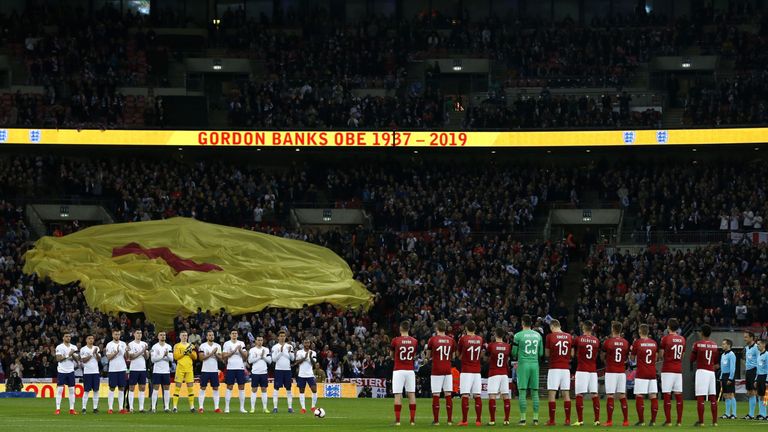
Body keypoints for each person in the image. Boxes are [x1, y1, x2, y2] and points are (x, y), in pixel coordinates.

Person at [512, 314, 543, 426]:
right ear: (531, 323)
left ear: (522, 323)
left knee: (522, 391)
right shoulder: (538, 336)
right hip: (534, 364)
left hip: (523, 364)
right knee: (535, 392)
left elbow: (514, 353)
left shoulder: (518, 335)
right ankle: (535, 419)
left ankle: (523, 419)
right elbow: (541, 353)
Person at [426, 319, 456, 425]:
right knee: (448, 394)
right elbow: (453, 356)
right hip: (447, 369)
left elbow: (428, 356)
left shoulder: (432, 340)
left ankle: (437, 421)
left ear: (437, 328)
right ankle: (449, 420)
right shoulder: (451, 340)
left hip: (437, 369)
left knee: (436, 394)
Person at [545, 319, 572, 426]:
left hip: (554, 367)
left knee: (552, 393)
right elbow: (571, 353)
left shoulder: (550, 336)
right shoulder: (569, 336)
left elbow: (547, 353)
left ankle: (552, 420)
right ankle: (567, 420)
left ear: (552, 327)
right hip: (566, 368)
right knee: (566, 394)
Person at [691, 324, 719, 426]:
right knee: (712, 397)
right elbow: (716, 362)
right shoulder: (714, 345)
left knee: (700, 397)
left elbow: (691, 359)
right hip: (711, 372)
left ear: (701, 333)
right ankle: (715, 422)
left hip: (702, 371)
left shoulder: (697, 344)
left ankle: (701, 421)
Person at [630, 323, 659, 426]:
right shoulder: (654, 343)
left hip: (641, 372)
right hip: (652, 372)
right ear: (648, 332)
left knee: (639, 395)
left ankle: (641, 421)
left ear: (639, 332)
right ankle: (653, 421)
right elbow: (656, 358)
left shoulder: (637, 343)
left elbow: (632, 359)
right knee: (653, 396)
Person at [602, 321, 629, 427]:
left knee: (610, 395)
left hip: (611, 371)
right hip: (621, 372)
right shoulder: (626, 342)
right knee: (622, 395)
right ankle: (626, 421)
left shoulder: (608, 342)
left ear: (613, 329)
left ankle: (609, 421)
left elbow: (603, 356)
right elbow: (626, 357)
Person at [660, 318, 686, 426]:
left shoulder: (665, 339)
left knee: (667, 395)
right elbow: (682, 355)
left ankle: (669, 421)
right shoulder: (682, 339)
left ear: (668, 327)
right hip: (678, 370)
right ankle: (679, 421)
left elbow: (661, 355)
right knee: (678, 395)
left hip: (668, 369)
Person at [391, 320, 417, 426]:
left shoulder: (395, 340)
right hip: (410, 370)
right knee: (411, 394)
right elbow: (413, 355)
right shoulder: (414, 341)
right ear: (409, 329)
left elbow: (392, 355)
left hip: (398, 370)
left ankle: (397, 421)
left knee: (398, 395)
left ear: (400, 329)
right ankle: (412, 421)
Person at [458, 319, 484, 426]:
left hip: (466, 370)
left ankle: (464, 420)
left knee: (465, 395)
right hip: (477, 371)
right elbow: (481, 354)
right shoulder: (480, 339)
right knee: (477, 395)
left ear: (466, 328)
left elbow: (459, 355)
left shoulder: (463, 339)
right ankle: (478, 420)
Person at [574, 320, 600, 426]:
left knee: (579, 394)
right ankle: (597, 420)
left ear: (583, 328)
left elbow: (574, 352)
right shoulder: (596, 340)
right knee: (595, 394)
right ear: (591, 329)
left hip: (582, 369)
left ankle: (580, 420)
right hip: (593, 370)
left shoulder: (578, 339)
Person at [486, 327, 512, 426]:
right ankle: (506, 420)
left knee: (492, 395)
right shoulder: (507, 346)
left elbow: (488, 356)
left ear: (495, 335)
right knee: (505, 395)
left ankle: (492, 420)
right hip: (504, 373)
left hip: (494, 373)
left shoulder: (491, 345)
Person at [222, 329, 248, 413]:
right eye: (232, 333)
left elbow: (245, 356)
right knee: (229, 387)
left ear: (237, 335)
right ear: (230, 335)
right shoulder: (227, 343)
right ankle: (226, 408)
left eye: (235, 333)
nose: (234, 335)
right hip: (230, 368)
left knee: (242, 387)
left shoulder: (241, 343)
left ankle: (242, 408)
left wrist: (239, 350)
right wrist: (233, 351)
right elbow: (224, 356)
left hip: (240, 367)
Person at [54, 330, 79, 415]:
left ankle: (72, 409)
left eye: (69, 336)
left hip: (71, 371)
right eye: (66, 336)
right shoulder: (59, 347)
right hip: (62, 371)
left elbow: (77, 359)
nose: (68, 338)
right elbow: (58, 359)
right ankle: (58, 409)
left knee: (72, 390)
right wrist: (69, 354)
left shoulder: (74, 347)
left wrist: (74, 355)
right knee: (60, 390)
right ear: (63, 338)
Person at [172, 330, 198, 413]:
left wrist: (190, 353)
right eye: (183, 335)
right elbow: (176, 357)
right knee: (177, 388)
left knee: (190, 388)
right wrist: (184, 352)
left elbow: (195, 357)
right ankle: (175, 407)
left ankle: (192, 407)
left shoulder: (191, 345)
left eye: (186, 335)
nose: (184, 337)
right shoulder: (177, 346)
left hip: (189, 369)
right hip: (180, 368)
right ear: (180, 336)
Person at [198, 330, 222, 413]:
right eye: (209, 335)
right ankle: (201, 407)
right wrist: (211, 353)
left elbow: (221, 358)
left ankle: (217, 408)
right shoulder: (203, 346)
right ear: (207, 336)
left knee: (215, 388)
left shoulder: (217, 346)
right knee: (203, 388)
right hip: (205, 370)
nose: (211, 336)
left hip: (214, 370)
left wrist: (215, 354)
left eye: (212, 335)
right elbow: (201, 358)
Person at [271, 330, 295, 413]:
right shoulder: (275, 347)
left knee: (288, 389)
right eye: (280, 336)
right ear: (278, 337)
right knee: (276, 388)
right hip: (278, 370)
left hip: (287, 370)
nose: (282, 337)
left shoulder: (289, 347)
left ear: (285, 337)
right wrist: (280, 352)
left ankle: (290, 408)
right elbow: (273, 359)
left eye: (283, 336)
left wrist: (289, 352)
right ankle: (275, 408)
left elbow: (292, 358)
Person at [150, 331, 173, 413]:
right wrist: (163, 356)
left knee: (166, 388)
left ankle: (166, 407)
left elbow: (172, 359)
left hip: (166, 371)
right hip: (157, 371)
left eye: (164, 335)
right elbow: (153, 360)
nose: (163, 336)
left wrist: (165, 355)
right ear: (158, 337)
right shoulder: (154, 347)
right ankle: (153, 407)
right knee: (155, 388)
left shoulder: (169, 346)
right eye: (161, 335)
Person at [127, 329, 149, 413]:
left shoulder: (144, 344)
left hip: (142, 368)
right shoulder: (131, 344)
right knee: (132, 387)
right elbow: (131, 357)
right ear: (134, 334)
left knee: (142, 387)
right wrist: (142, 351)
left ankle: (141, 408)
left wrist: (145, 352)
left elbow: (146, 357)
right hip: (134, 369)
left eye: (140, 333)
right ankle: (131, 407)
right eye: (137, 333)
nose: (139, 334)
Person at [106, 328, 128, 414]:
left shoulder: (123, 344)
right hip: (113, 369)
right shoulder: (109, 345)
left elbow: (126, 357)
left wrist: (126, 351)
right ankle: (110, 408)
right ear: (112, 335)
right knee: (112, 388)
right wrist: (116, 352)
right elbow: (108, 357)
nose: (117, 336)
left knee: (121, 388)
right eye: (115, 334)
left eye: (118, 334)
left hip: (122, 368)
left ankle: (121, 408)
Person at [294, 337, 319, 414]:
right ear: (303, 343)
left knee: (314, 390)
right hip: (301, 374)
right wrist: (304, 358)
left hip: (310, 374)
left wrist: (310, 356)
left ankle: (313, 407)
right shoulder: (299, 352)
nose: (307, 344)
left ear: (310, 344)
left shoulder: (313, 352)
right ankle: (303, 408)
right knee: (301, 391)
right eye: (305, 343)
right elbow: (297, 362)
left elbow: (314, 364)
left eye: (308, 343)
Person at [248, 335, 271, 413]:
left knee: (264, 390)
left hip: (264, 372)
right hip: (255, 372)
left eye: (261, 340)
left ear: (263, 341)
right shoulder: (252, 350)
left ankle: (265, 408)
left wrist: (263, 357)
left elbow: (270, 361)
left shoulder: (266, 349)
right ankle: (252, 408)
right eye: (258, 340)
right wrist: (259, 357)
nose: (260, 341)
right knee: (254, 390)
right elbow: (250, 361)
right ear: (256, 341)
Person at [79, 334, 101, 414]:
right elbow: (84, 360)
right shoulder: (83, 349)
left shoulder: (96, 348)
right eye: (89, 338)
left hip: (95, 372)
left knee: (96, 390)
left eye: (92, 338)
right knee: (86, 390)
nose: (91, 340)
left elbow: (99, 359)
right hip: (87, 372)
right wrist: (92, 354)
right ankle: (84, 408)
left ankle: (95, 408)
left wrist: (96, 353)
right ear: (86, 340)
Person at [743, 331, 759, 420]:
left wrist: (757, 374)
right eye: (744, 337)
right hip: (748, 371)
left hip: (754, 371)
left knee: (754, 392)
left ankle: (757, 414)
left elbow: (759, 360)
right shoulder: (746, 348)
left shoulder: (756, 347)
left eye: (746, 337)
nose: (744, 339)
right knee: (749, 393)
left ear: (752, 338)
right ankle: (751, 414)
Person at [720, 339, 737, 419]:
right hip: (723, 375)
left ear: (728, 345)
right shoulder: (723, 355)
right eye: (722, 344)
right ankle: (727, 413)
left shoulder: (732, 354)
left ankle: (734, 413)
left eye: (724, 344)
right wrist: (720, 378)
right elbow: (722, 368)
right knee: (725, 395)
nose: (722, 345)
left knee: (731, 394)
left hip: (729, 376)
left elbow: (733, 368)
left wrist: (730, 378)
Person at [756, 340, 767, 420]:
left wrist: (767, 380)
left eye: (759, 344)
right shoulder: (759, 355)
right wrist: (756, 379)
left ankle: (765, 414)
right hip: (759, 377)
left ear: (763, 345)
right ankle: (761, 414)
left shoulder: (767, 355)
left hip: (765, 376)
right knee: (760, 396)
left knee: (765, 396)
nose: (757, 346)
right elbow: (758, 368)